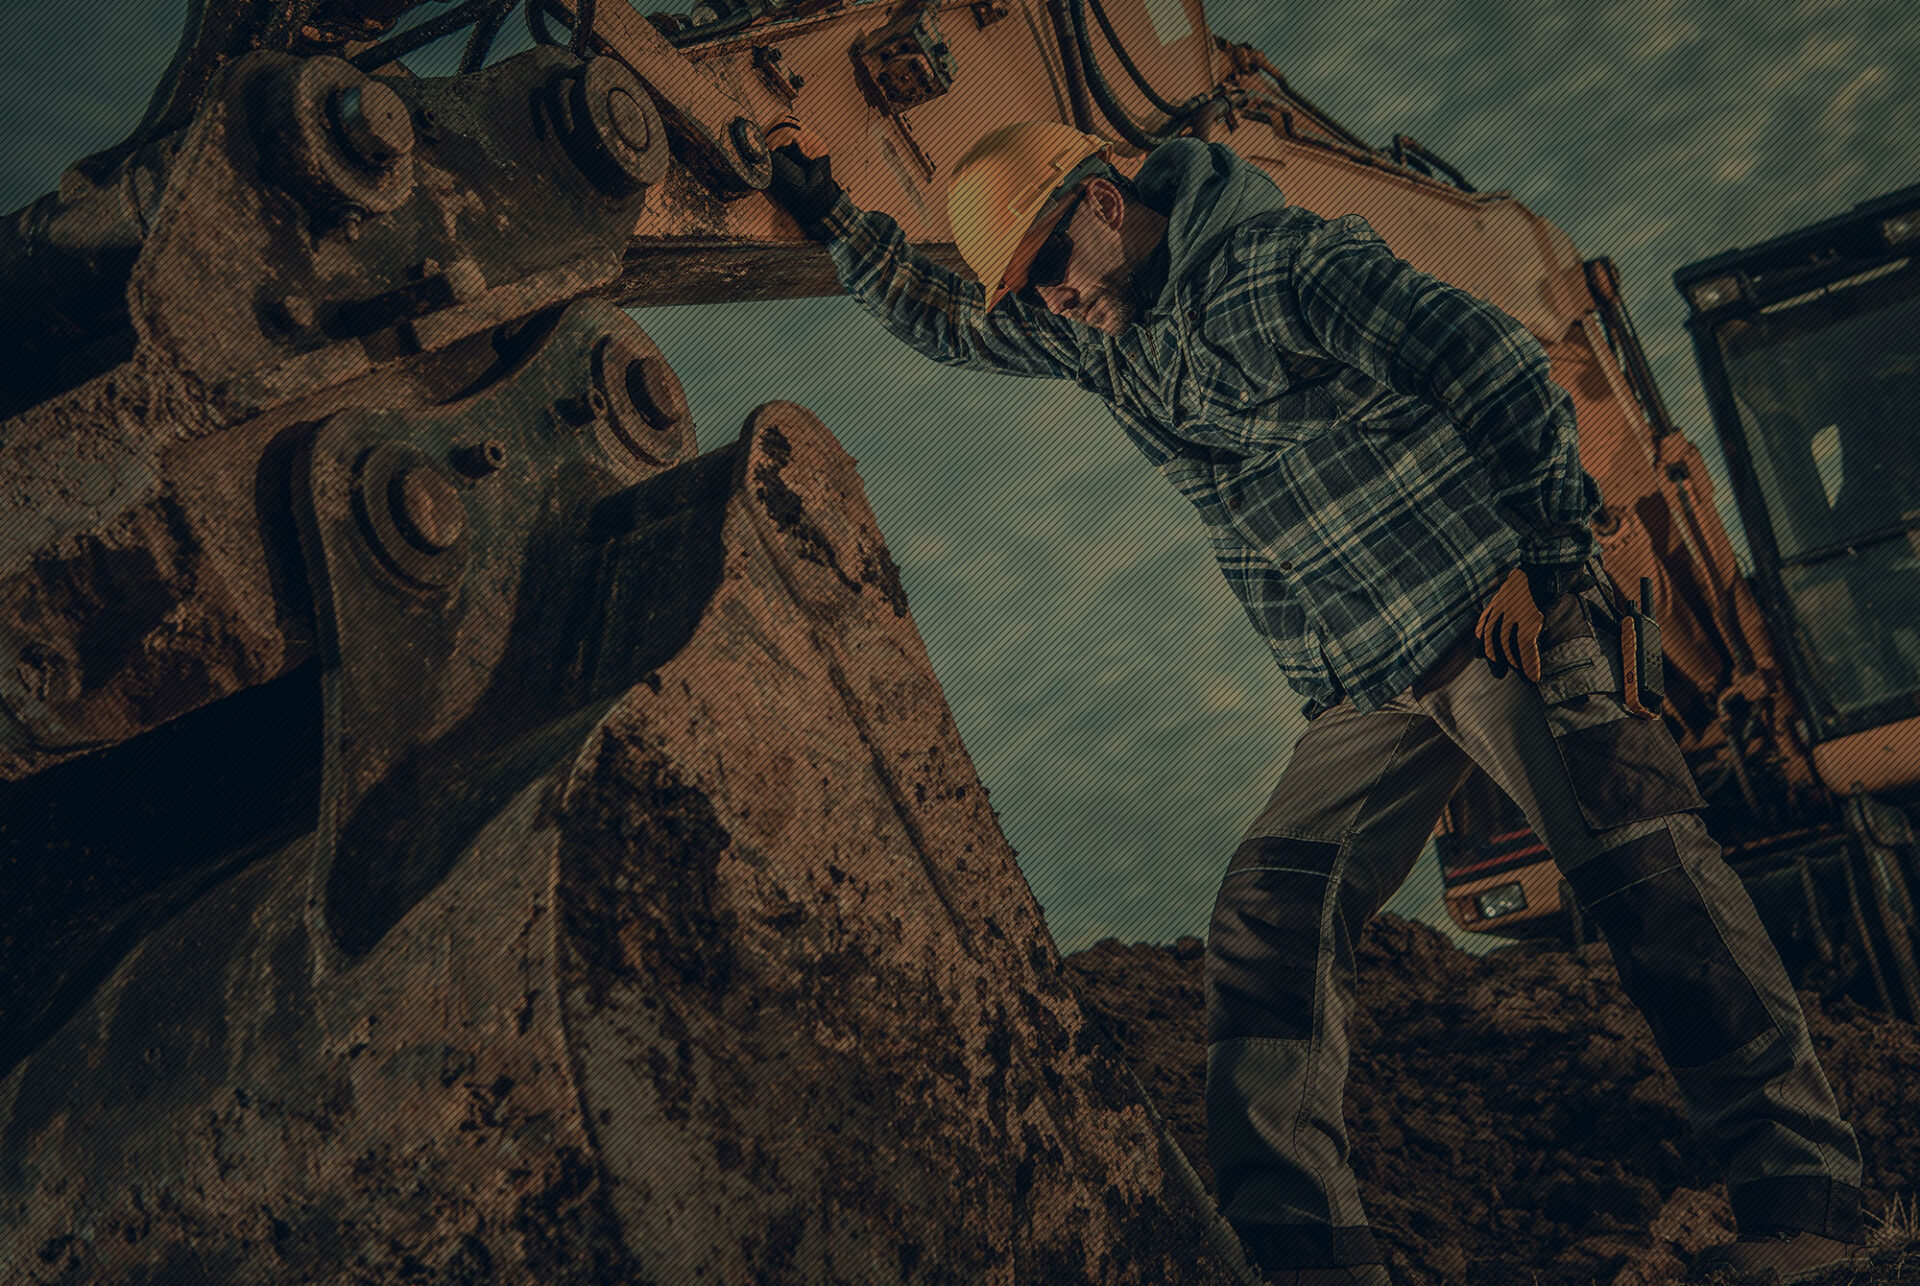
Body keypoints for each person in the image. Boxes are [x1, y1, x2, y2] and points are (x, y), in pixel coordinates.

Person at [763, 117, 1867, 1286]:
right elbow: (957, 328)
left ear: (1099, 200)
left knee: (1647, 881)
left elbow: (1492, 357)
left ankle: (1805, 1202)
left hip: (1503, 619)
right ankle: (1305, 1257)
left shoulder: (1281, 266)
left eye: (1043, 265)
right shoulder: (1114, 341)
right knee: (1266, 922)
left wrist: (1547, 558)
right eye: (1024, 286)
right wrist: (840, 224)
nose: (1042, 300)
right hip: (1368, 685)